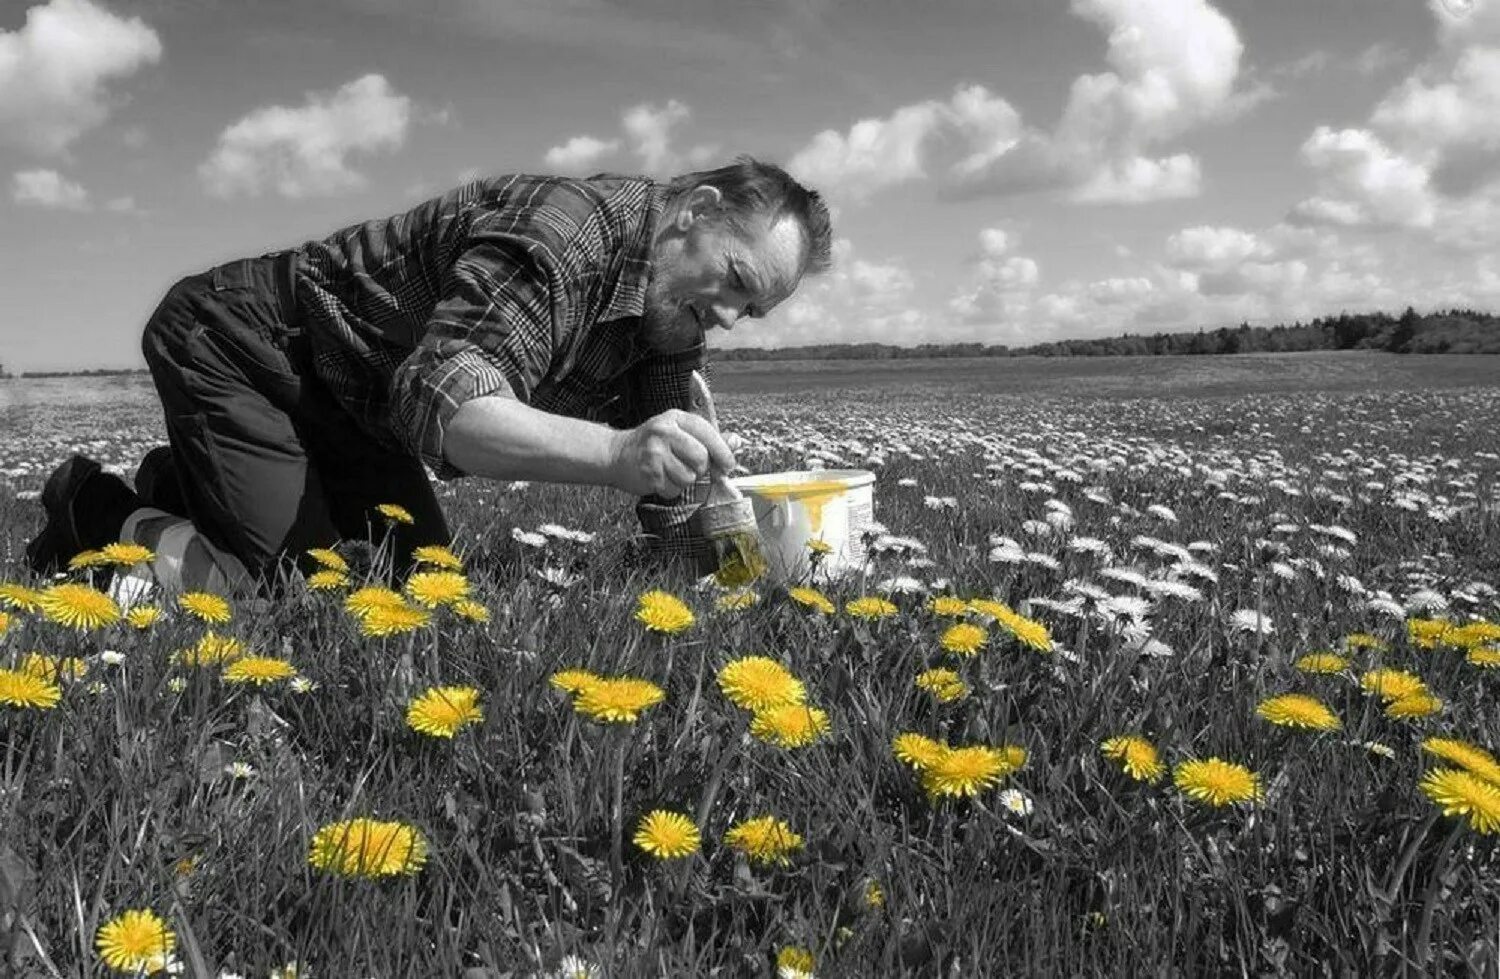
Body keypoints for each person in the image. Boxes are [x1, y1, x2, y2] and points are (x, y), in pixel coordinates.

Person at [24, 156, 833, 595]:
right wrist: (620, 455)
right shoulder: (564, 236)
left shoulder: (669, 313)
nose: (729, 317)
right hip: (245, 341)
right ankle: (93, 506)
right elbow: (447, 397)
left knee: (416, 584)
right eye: (733, 280)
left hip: (352, 401)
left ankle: (193, 478)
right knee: (293, 603)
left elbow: (682, 490)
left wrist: (753, 575)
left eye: (751, 310)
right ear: (691, 212)